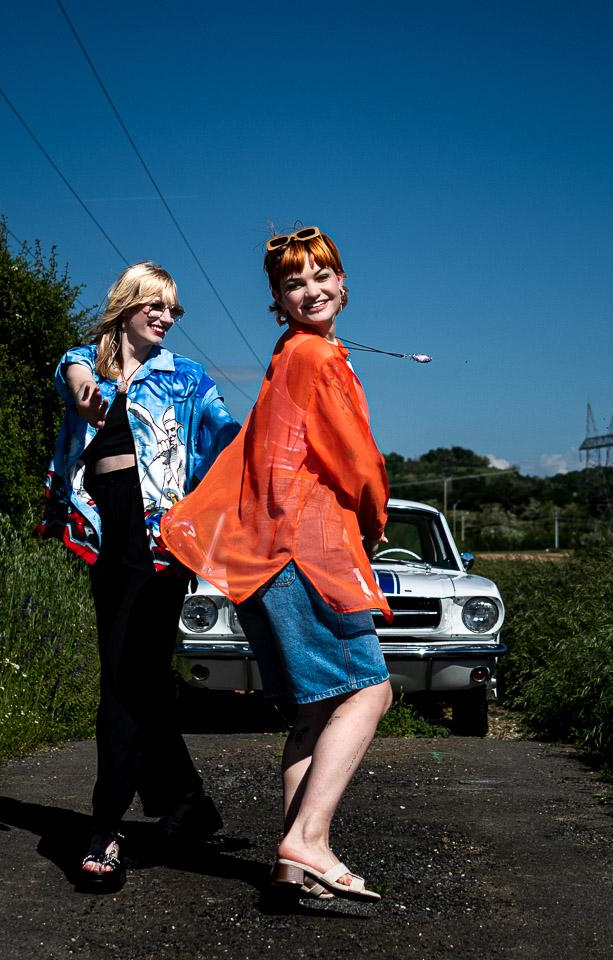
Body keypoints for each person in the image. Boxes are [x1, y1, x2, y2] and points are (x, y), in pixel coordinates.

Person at [161, 226, 393, 902]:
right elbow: (358, 464)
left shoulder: (284, 357)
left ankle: (290, 871)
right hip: (307, 552)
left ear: (342, 282)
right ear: (278, 300)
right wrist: (374, 523)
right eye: (295, 283)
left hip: (265, 560)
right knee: (370, 690)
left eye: (321, 276)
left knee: (317, 710)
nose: (312, 290)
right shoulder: (317, 357)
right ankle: (308, 840)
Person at [38, 261, 240, 893]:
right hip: (105, 533)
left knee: (122, 679)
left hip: (159, 541)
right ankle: (187, 799)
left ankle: (104, 827)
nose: (165, 316)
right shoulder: (84, 363)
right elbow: (74, 373)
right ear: (126, 304)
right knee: (144, 675)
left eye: (173, 309)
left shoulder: (187, 378)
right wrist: (84, 390)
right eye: (155, 304)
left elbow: (227, 435)